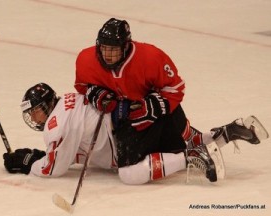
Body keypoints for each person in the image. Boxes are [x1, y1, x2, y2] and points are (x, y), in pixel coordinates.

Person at [3, 83, 265, 185]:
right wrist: (41, 154)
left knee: (130, 174)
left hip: (123, 141)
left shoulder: (55, 126)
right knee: (175, 143)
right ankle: (226, 132)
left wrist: (29, 163)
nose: (34, 118)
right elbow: (71, 151)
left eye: (35, 112)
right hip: (139, 116)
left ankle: (192, 156)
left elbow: (53, 169)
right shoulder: (69, 100)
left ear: (46, 107)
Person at [73, 18, 224, 182]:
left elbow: (175, 88)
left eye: (113, 49)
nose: (107, 54)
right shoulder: (86, 60)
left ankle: (195, 149)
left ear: (125, 46)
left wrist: (154, 107)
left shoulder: (151, 57)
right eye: (104, 48)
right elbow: (82, 85)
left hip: (154, 117)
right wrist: (95, 92)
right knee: (172, 150)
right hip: (124, 124)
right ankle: (215, 138)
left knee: (129, 174)